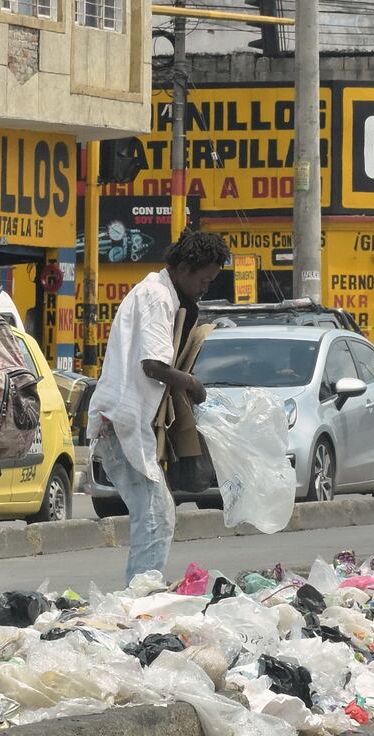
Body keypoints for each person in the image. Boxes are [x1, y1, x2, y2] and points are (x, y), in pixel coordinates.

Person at [87, 229, 229, 586]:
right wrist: (192, 383)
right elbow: (153, 365)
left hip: (126, 422)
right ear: (185, 268)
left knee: (155, 512)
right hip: (121, 421)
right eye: (204, 279)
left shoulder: (161, 292)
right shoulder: (157, 296)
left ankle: (142, 590)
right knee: (155, 514)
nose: (205, 288)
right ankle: (141, 595)